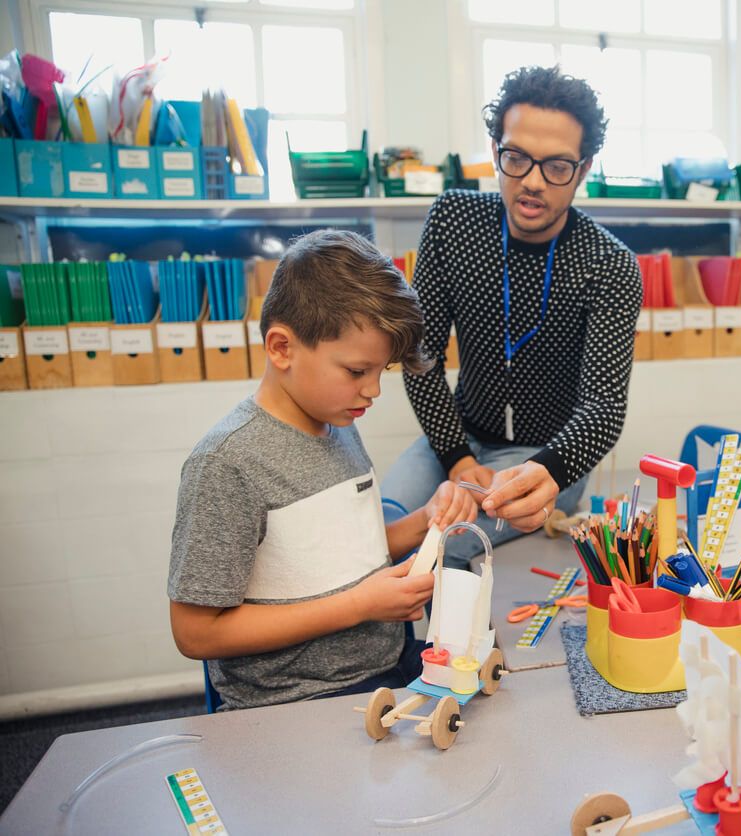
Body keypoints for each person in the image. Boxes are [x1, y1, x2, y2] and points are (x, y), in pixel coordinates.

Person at [167, 230, 478, 711]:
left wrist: (425, 521)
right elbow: (195, 633)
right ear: (282, 348)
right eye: (357, 371)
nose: (372, 390)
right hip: (298, 701)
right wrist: (359, 606)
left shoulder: (337, 423)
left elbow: (348, 555)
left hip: (386, 668)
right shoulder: (227, 464)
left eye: (382, 372)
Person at [382, 66, 643, 567]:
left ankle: (454, 649)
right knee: (387, 523)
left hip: (546, 453)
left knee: (446, 544)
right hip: (460, 434)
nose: (532, 182)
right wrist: (458, 456)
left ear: (584, 169)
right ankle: (409, 650)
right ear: (495, 148)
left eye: (558, 167)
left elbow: (604, 405)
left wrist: (546, 471)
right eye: (516, 158)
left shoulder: (608, 264)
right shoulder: (454, 222)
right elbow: (422, 358)